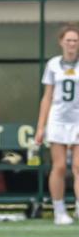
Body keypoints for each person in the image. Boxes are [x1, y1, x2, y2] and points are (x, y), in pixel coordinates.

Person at [36, 25, 79, 226]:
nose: (72, 44)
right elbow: (47, 97)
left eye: (75, 40)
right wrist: (40, 127)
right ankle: (59, 211)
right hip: (58, 121)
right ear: (61, 42)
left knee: (78, 166)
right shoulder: (53, 64)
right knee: (60, 166)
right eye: (68, 40)